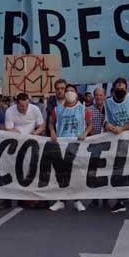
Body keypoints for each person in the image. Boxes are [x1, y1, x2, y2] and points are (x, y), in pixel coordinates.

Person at [104, 78, 129, 213]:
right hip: (117, 142)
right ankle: (120, 200)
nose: (120, 90)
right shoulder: (108, 102)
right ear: (113, 90)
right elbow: (105, 121)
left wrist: (123, 128)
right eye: (118, 88)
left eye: (123, 88)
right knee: (119, 171)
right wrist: (110, 127)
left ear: (127, 90)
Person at [48, 85, 91, 213]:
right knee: (62, 173)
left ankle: (76, 200)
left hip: (76, 145)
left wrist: (85, 133)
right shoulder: (58, 109)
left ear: (77, 94)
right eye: (67, 91)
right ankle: (62, 200)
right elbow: (51, 122)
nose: (69, 93)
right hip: (62, 144)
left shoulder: (83, 109)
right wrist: (52, 131)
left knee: (76, 174)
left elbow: (90, 125)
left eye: (72, 91)